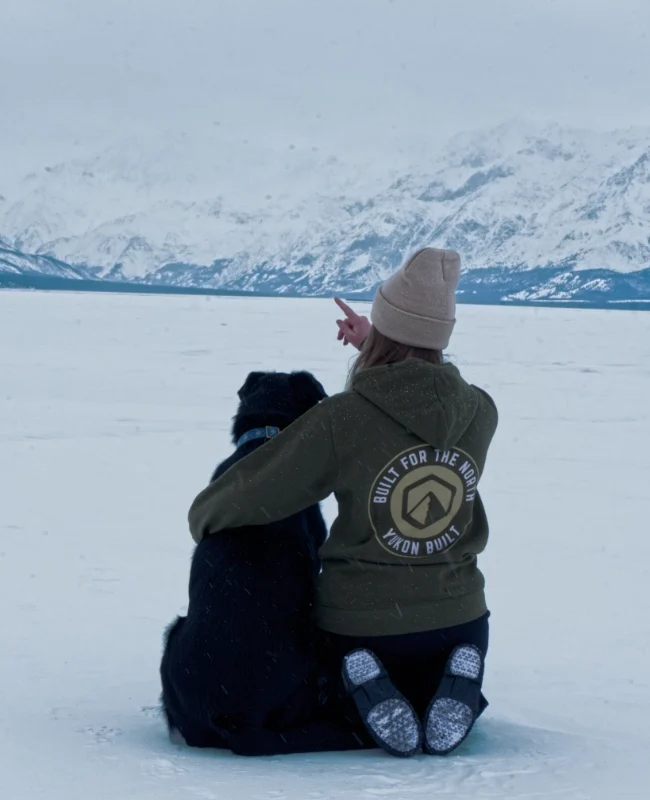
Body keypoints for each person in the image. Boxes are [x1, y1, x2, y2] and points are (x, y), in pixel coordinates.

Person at [188, 248, 498, 758]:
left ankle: (362, 698)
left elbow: (262, 487)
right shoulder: (482, 411)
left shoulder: (343, 419)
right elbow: (409, 417)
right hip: (460, 614)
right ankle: (450, 680)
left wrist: (205, 514)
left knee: (339, 690)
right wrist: (390, 345)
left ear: (384, 329)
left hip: (363, 622)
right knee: (435, 659)